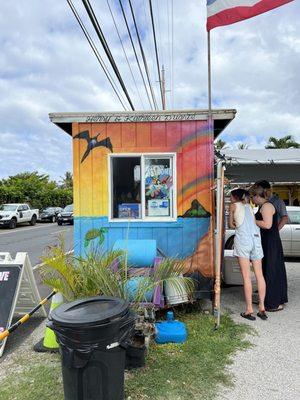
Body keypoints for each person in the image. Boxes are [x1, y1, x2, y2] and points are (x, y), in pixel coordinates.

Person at [229, 189, 267, 321]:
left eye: (230, 197)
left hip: (243, 240)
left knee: (246, 276)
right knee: (259, 275)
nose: (230, 199)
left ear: (235, 197)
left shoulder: (233, 206)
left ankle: (249, 309)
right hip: (256, 239)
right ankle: (262, 308)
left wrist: (236, 224)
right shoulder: (250, 206)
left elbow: (231, 224)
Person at [251, 184, 288, 311]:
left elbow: (267, 225)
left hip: (270, 242)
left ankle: (273, 303)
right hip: (267, 241)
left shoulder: (266, 206)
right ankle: (266, 299)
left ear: (258, 195)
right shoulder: (263, 205)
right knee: (268, 270)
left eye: (253, 196)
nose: (252, 199)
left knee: (271, 270)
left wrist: (252, 220)